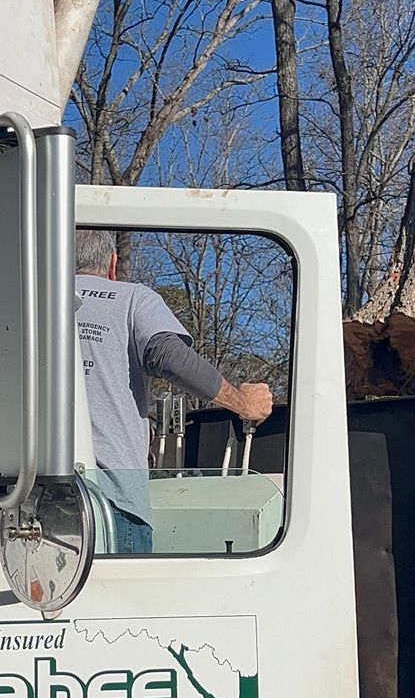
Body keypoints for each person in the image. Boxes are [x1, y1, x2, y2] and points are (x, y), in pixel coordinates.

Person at [75, 228, 273, 553]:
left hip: (23, 504)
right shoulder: (132, 298)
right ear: (112, 264)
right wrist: (242, 402)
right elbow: (168, 356)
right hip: (111, 503)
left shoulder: (29, 300)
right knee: (115, 603)